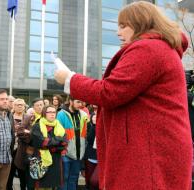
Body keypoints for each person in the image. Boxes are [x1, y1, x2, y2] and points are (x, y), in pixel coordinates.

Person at [54, 1, 192, 189]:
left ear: (140, 23)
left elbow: (109, 92)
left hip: (147, 155)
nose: (118, 32)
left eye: (123, 26)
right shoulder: (160, 48)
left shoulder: (148, 49)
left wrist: (70, 79)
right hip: (152, 150)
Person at [28, 105, 67, 189]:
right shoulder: (37, 126)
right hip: (41, 160)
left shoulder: (59, 126)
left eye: (54, 112)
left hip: (56, 160)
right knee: (41, 186)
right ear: (44, 113)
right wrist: (57, 141)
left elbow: (64, 143)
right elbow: (41, 143)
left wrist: (51, 143)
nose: (52, 114)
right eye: (49, 112)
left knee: (53, 186)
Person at [56, 96, 88, 190]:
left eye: (82, 102)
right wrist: (63, 150)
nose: (80, 104)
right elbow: (58, 135)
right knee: (64, 179)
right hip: (65, 153)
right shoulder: (61, 114)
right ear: (71, 101)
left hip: (78, 154)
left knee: (74, 179)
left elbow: (84, 135)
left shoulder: (83, 114)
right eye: (78, 102)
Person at [7, 98, 28, 190]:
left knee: (22, 173)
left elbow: (30, 132)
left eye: (22, 105)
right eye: (17, 104)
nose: (20, 106)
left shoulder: (28, 117)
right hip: (10, 149)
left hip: (23, 149)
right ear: (13, 106)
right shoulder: (8, 117)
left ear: (24, 107)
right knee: (9, 173)